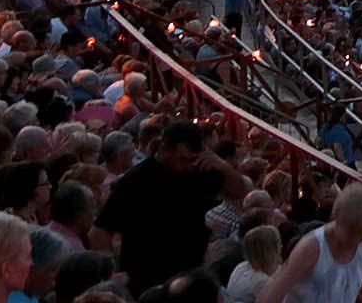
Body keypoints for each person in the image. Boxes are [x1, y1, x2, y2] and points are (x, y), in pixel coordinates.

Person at [96, 123, 250, 292]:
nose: (189, 164)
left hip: (191, 273)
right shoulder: (136, 181)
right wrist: (111, 271)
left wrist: (222, 166)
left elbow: (239, 192)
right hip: (145, 277)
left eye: (193, 159)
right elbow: (101, 230)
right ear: (165, 149)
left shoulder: (199, 170)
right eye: (183, 159)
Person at [260, 184, 362, 303]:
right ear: (337, 216)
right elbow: (271, 296)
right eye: (351, 230)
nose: (356, 238)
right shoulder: (312, 248)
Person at [225, 226, 284, 303]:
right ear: (271, 249)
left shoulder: (241, 266)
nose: (281, 245)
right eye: (278, 242)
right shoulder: (262, 281)